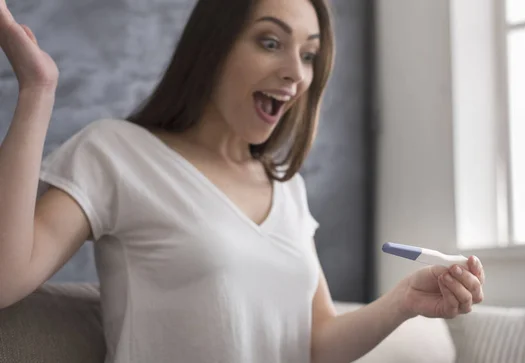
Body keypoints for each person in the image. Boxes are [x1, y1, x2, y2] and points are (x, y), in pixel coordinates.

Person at [0, 0, 486, 362]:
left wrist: (404, 301)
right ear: (213, 49)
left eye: (310, 54)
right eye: (270, 42)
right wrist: (38, 89)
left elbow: (316, 342)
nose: (296, 73)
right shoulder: (115, 152)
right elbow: (7, 275)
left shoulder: (288, 189)